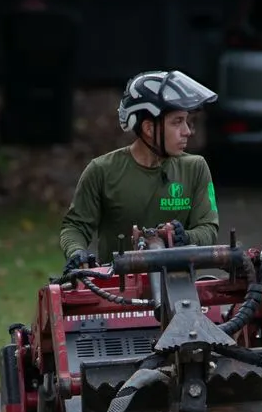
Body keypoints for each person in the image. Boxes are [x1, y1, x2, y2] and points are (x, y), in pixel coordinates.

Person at [59, 70, 220, 271]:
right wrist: (76, 252)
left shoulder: (196, 168)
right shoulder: (100, 171)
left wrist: (185, 237)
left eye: (186, 121)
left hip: (180, 291)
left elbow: (209, 228)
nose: (187, 131)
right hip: (117, 291)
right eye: (177, 122)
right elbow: (74, 226)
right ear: (149, 129)